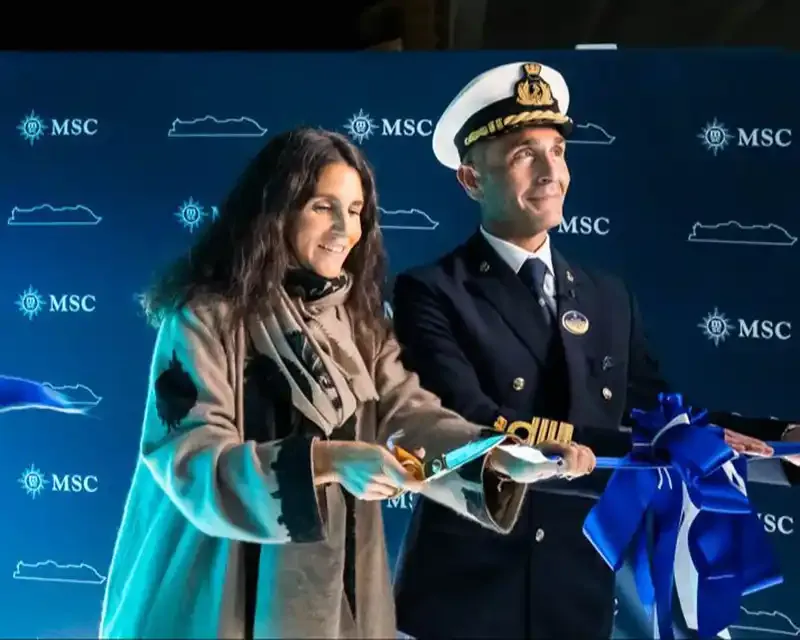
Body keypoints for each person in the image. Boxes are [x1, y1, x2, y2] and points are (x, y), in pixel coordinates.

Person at [98, 127, 595, 640]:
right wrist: (327, 461)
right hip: (220, 593)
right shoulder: (205, 319)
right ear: (277, 211)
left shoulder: (361, 324)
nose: (344, 229)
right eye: (323, 207)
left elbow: (409, 419)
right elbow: (190, 456)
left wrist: (497, 458)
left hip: (336, 598)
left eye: (355, 210)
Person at [390, 62, 800, 639]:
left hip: (574, 593)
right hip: (465, 597)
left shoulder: (608, 296)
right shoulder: (430, 291)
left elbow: (657, 413)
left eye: (557, 151)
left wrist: (779, 441)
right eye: (523, 154)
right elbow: (472, 424)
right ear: (471, 180)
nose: (549, 171)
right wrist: (664, 447)